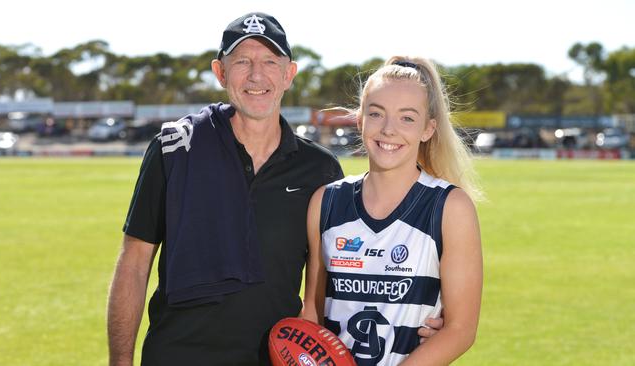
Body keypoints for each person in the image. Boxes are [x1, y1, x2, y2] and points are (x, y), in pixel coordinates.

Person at [106, 12, 346, 366]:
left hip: (272, 358)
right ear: (220, 72)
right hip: (175, 356)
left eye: (269, 61)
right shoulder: (174, 150)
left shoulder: (320, 169)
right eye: (242, 62)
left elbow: (332, 278)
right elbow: (134, 262)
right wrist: (120, 362)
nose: (256, 75)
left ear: (288, 74)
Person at [302, 56, 483, 365]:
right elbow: (314, 311)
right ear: (359, 120)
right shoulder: (326, 202)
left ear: (428, 129)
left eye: (407, 118)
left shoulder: (450, 207)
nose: (388, 129)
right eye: (376, 114)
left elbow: (460, 329)